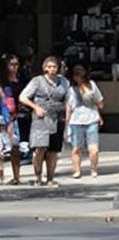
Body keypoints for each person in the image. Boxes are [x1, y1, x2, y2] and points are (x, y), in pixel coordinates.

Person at [21, 55, 70, 187]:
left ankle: (50, 177)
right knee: (40, 147)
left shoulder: (64, 82)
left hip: (57, 116)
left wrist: (67, 119)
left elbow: (68, 101)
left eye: (54, 66)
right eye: (49, 67)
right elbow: (23, 97)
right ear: (45, 68)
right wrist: (36, 107)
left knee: (54, 150)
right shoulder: (37, 81)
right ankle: (38, 177)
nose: (52, 69)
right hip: (41, 117)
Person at [65, 64, 104, 179]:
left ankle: (94, 169)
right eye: (76, 76)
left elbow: (100, 103)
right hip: (76, 121)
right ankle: (77, 170)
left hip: (91, 119)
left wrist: (91, 98)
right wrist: (66, 125)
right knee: (76, 147)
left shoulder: (92, 86)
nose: (78, 78)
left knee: (94, 149)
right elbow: (69, 108)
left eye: (80, 75)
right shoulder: (71, 90)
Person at [2, 53, 25, 185]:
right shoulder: (2, 80)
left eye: (16, 64)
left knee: (15, 147)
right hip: (4, 115)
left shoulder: (22, 79)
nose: (14, 67)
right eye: (12, 64)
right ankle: (1, 176)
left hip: (17, 116)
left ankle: (16, 176)